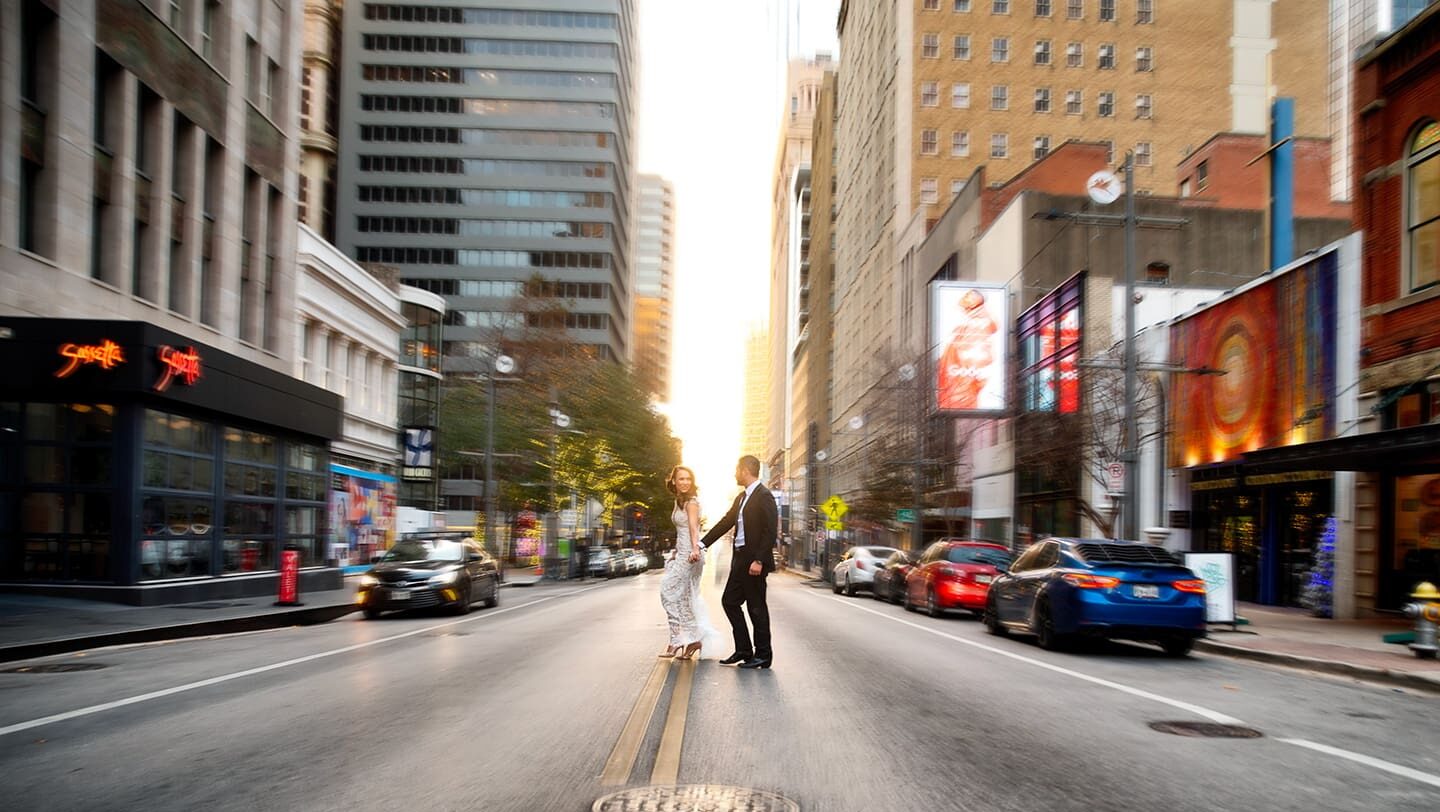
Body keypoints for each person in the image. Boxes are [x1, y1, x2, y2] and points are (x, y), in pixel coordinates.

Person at [699, 455, 778, 669]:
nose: (734, 474)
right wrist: (702, 543)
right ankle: (744, 650)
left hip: (754, 562)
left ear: (745, 470)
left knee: (756, 608)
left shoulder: (764, 496)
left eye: (736, 470)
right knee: (729, 601)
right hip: (740, 559)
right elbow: (726, 522)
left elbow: (770, 531)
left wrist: (759, 560)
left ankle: (763, 655)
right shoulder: (741, 498)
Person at [657, 465, 721, 659]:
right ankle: (692, 640)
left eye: (688, 479)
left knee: (667, 591)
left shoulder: (691, 502)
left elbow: (694, 528)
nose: (685, 482)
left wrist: (695, 549)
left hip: (691, 554)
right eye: (681, 479)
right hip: (682, 552)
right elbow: (681, 530)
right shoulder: (679, 501)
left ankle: (676, 639)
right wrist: (677, 550)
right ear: (674, 481)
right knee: (685, 597)